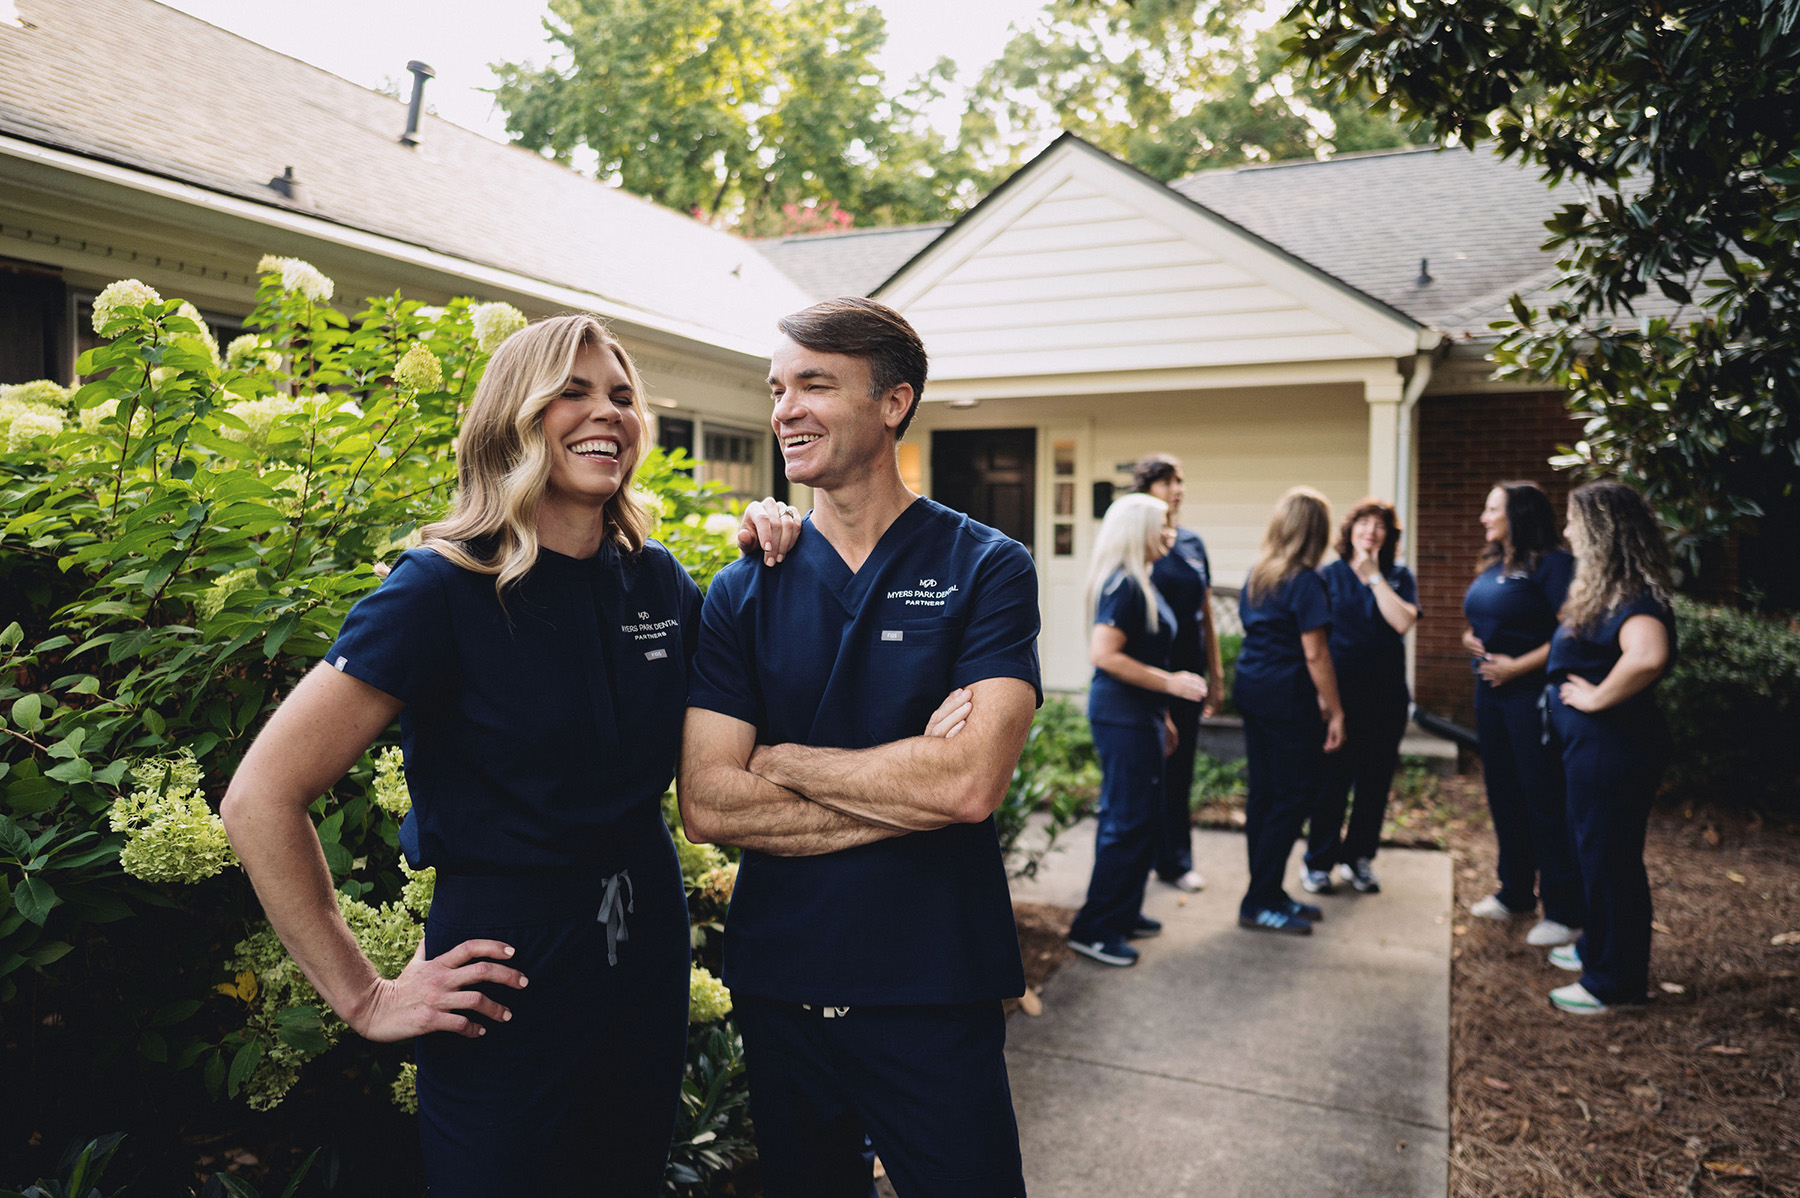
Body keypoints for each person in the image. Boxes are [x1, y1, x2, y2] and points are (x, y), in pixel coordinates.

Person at [220, 314, 803, 1195]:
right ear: (514, 417)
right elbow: (259, 796)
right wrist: (366, 996)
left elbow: (754, 716)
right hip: (503, 970)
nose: (604, 411)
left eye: (620, 395)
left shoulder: (657, 581)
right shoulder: (440, 589)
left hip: (641, 945)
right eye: (571, 391)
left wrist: (776, 557)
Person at [679, 296, 1041, 1198]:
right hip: (783, 983)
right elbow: (709, 804)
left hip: (933, 981)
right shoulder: (741, 587)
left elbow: (966, 786)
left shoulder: (987, 567)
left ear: (892, 403)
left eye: (814, 384)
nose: (784, 409)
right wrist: (903, 780)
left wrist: (784, 759)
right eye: (777, 388)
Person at [1543, 481, 1677, 1015]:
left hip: (1612, 749)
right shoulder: (1610, 591)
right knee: (1596, 856)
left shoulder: (1635, 598)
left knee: (1609, 862)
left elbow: (1647, 656)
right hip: (1595, 750)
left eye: (1575, 521)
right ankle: (1595, 949)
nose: (1567, 530)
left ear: (1602, 531)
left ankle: (1613, 983)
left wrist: (1597, 699)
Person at [1065, 492, 1209, 966]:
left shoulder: (1142, 580)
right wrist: (1172, 684)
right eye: (1163, 525)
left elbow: (1147, 655)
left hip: (1142, 715)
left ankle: (1124, 913)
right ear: (1138, 531)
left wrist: (1163, 715)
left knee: (1141, 817)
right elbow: (1105, 656)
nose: (1171, 533)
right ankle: (1095, 928)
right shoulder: (1123, 584)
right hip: (1120, 715)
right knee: (1125, 821)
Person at [1460, 481, 1584, 948]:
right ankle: (1514, 893)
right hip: (1489, 695)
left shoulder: (1553, 565)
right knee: (1503, 793)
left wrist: (1518, 666)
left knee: (1543, 799)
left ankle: (1566, 910)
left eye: (1492, 508)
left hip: (1529, 696)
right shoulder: (1496, 562)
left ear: (1519, 515)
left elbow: (1571, 630)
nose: (1483, 517)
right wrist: (1472, 640)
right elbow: (1487, 619)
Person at [1232, 487, 1345, 935]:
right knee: (1293, 795)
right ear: (1317, 532)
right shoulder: (1306, 580)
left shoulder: (1257, 574)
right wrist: (1336, 712)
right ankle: (1259, 900)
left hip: (1253, 690)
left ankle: (1269, 890)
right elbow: (1316, 655)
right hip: (1287, 698)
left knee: (1264, 794)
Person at [1302, 498, 1419, 897]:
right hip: (1340, 695)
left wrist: (1373, 576)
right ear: (1349, 530)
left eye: (1380, 525)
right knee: (1331, 780)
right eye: (1364, 523)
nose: (1371, 530)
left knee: (1374, 782)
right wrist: (1321, 696)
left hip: (1387, 698)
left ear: (1389, 536)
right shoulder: (1326, 576)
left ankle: (1359, 859)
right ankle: (1318, 862)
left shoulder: (1398, 577)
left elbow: (1402, 620)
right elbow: (1313, 642)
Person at [1135, 454, 1223, 895]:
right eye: (1166, 481)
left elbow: (1205, 610)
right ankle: (1141, 858)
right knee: (1149, 772)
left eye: (1180, 481)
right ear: (1147, 489)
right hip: (1153, 673)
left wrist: (1218, 673)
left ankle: (1175, 861)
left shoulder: (1191, 543)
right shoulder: (1139, 543)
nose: (1176, 489)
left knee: (1181, 769)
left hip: (1190, 673)